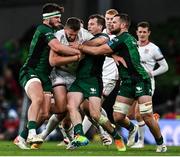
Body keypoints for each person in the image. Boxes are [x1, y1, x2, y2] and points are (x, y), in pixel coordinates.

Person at [75, 13, 167, 152]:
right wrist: (113, 55)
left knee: (146, 116)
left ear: (123, 25)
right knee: (117, 117)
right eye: (110, 21)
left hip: (141, 80)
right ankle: (132, 128)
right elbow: (106, 51)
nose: (110, 24)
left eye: (114, 22)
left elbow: (99, 51)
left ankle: (161, 143)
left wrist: (80, 47)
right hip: (127, 82)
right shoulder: (122, 39)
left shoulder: (122, 38)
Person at [13, 3, 80, 150]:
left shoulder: (55, 29)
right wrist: (78, 52)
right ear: (47, 18)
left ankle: (21, 138)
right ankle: (31, 133)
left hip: (45, 76)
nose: (58, 19)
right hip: (32, 70)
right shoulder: (43, 29)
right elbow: (56, 47)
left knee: (44, 114)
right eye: (56, 17)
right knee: (37, 99)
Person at [67, 14, 126, 151]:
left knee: (95, 114)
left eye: (92, 24)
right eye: (88, 23)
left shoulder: (104, 37)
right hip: (80, 79)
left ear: (100, 26)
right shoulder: (82, 37)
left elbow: (96, 44)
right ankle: (79, 136)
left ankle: (116, 136)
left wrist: (79, 46)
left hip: (93, 80)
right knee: (72, 106)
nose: (89, 26)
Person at [129, 21, 168, 148]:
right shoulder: (132, 45)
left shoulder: (154, 48)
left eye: (144, 32)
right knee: (130, 115)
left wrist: (151, 73)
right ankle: (152, 118)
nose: (142, 34)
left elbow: (165, 67)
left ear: (149, 33)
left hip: (147, 83)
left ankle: (140, 142)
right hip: (132, 83)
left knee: (139, 114)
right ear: (136, 32)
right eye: (140, 31)